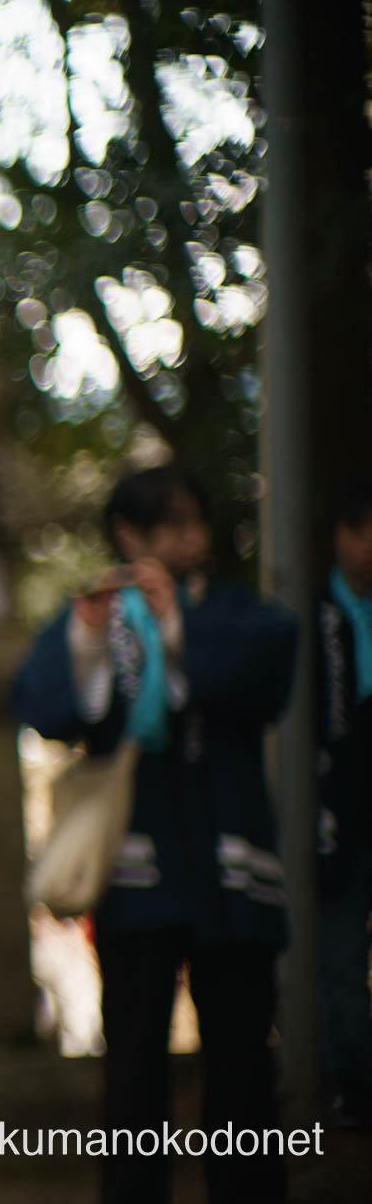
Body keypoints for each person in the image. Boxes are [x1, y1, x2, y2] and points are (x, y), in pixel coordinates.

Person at [12, 465, 298, 1204]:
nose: (188, 540)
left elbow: (265, 681)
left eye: (194, 524)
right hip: (136, 869)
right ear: (127, 534)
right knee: (133, 1054)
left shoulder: (237, 612)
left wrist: (176, 626)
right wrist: (84, 639)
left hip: (231, 865)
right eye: (168, 526)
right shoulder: (98, 616)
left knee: (241, 1053)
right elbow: (47, 709)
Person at [317, 480, 372, 1129]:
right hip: (338, 815)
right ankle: (351, 1086)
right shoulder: (314, 614)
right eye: (361, 530)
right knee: (340, 963)